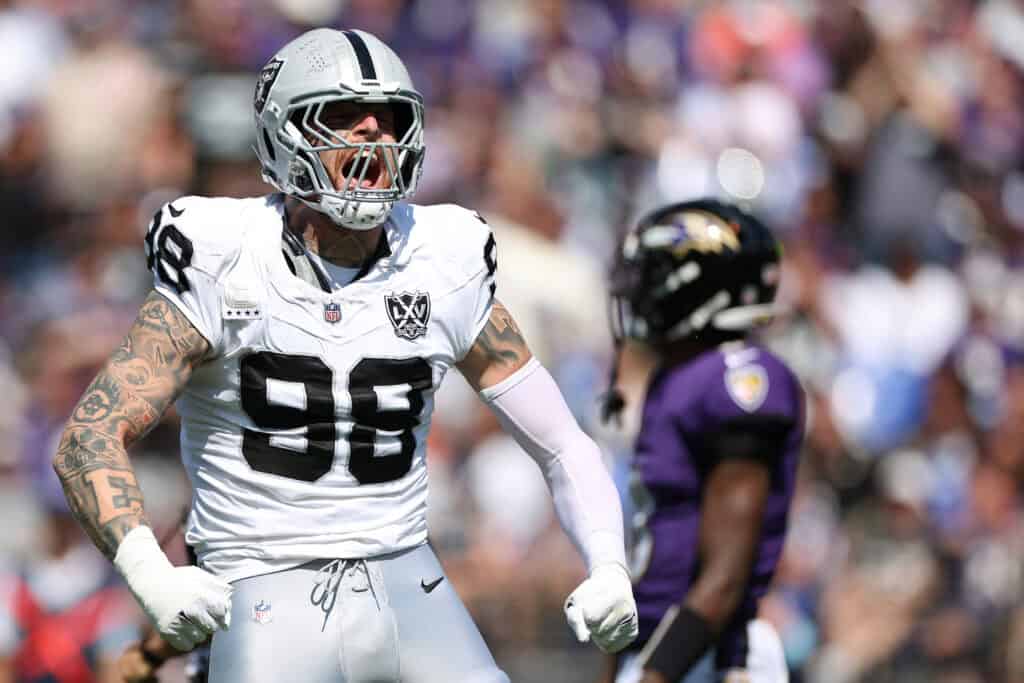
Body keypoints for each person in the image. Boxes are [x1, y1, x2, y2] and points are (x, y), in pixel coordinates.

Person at [51, 27, 637, 683]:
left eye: (386, 118)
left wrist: (608, 561)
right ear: (282, 133)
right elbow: (89, 435)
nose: (369, 134)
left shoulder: (443, 258)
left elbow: (561, 441)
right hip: (261, 582)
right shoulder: (222, 256)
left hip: (408, 576)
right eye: (341, 116)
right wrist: (151, 575)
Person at [599, 199, 804, 683]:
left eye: (657, 273)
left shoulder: (738, 380)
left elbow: (726, 573)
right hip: (661, 648)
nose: (640, 289)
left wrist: (655, 674)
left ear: (698, 284)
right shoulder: (678, 378)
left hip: (705, 657)